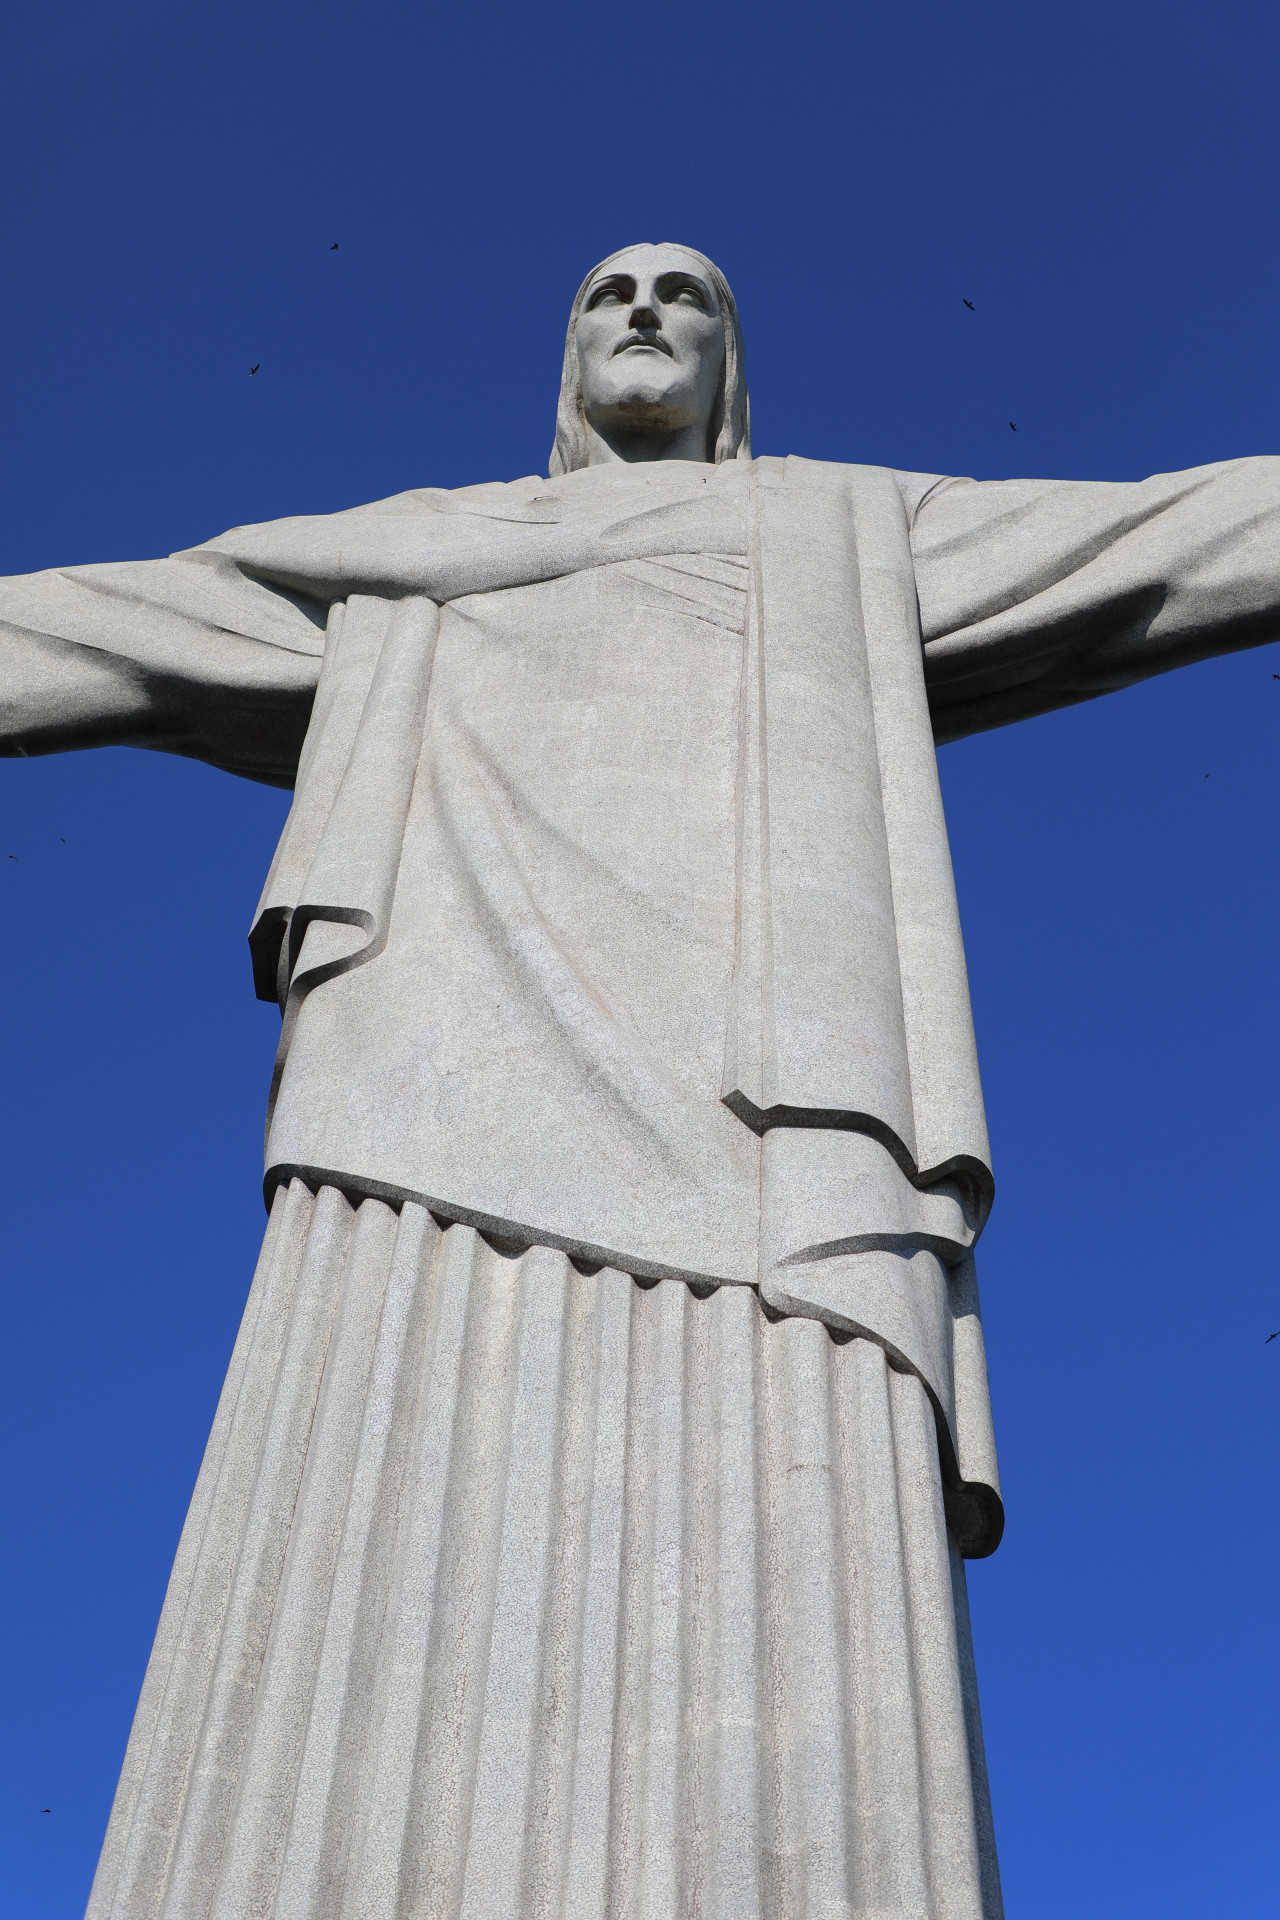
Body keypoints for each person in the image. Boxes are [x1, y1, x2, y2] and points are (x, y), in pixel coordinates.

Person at [6, 242, 1279, 1920]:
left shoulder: (842, 528)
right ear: (565, 357)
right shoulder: (414, 554)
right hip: (422, 1096)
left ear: (733, 366)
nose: (646, 313)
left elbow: (1168, 541)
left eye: (688, 295)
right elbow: (93, 627)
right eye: (609, 293)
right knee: (367, 1543)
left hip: (772, 1122)